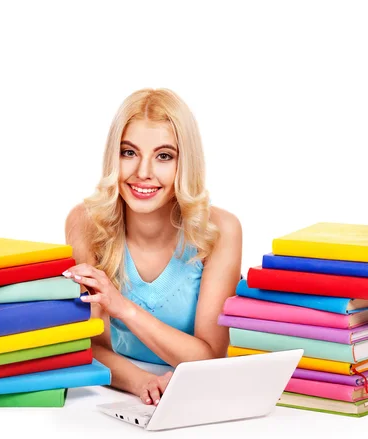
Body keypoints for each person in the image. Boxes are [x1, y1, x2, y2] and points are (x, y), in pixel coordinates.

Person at [63, 88, 242, 406]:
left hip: (199, 396)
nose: (143, 172)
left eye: (164, 156)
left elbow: (210, 358)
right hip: (121, 394)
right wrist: (143, 383)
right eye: (128, 152)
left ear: (184, 163)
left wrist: (123, 308)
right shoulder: (85, 222)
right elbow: (88, 344)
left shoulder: (220, 230)